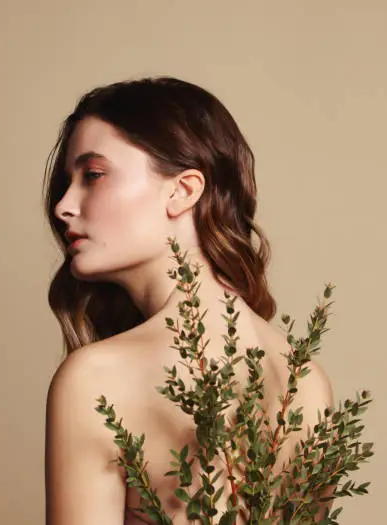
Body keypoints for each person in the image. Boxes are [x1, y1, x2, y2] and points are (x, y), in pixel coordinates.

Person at [42, 76, 334, 525]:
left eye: (93, 175)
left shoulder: (96, 380)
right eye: (68, 182)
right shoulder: (307, 381)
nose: (64, 205)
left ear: (182, 190)